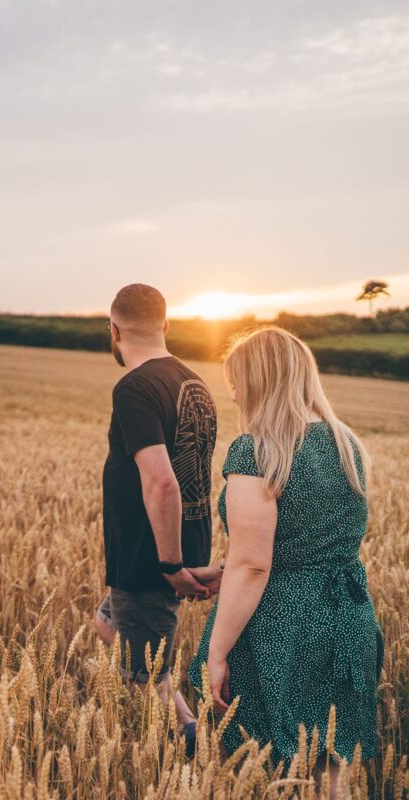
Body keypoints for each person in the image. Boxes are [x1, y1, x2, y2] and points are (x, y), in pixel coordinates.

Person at [189, 327, 383, 799]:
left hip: (281, 624)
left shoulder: (256, 451)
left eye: (236, 380)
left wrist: (216, 652)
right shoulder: (346, 444)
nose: (232, 391)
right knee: (329, 761)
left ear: (257, 382)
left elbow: (254, 565)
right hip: (347, 615)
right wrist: (226, 568)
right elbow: (310, 537)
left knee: (252, 760)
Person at [95, 284, 221, 756]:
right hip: (179, 545)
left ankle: (194, 748)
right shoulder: (194, 382)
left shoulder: (134, 388)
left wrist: (170, 565)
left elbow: (163, 481)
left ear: (114, 329)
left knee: (150, 674)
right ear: (165, 325)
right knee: (107, 620)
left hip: (151, 556)